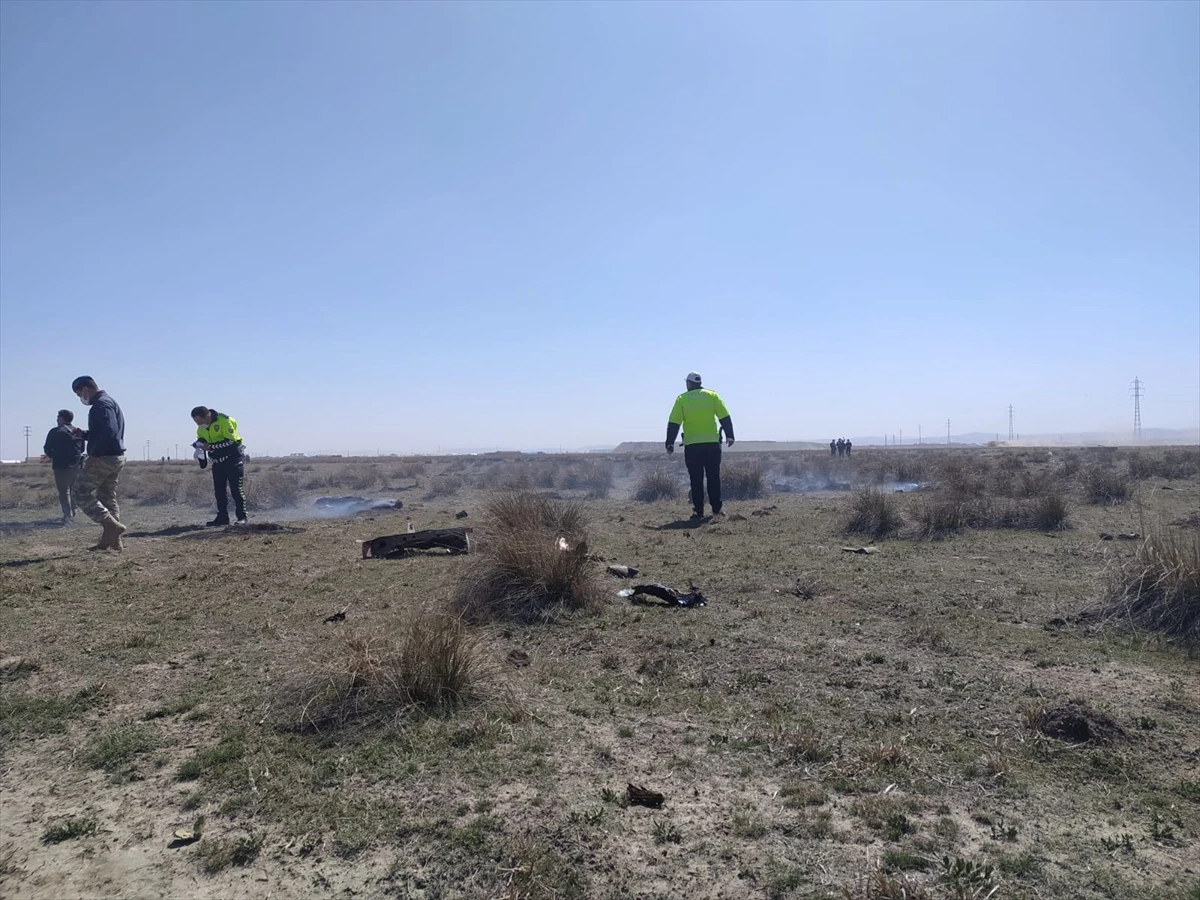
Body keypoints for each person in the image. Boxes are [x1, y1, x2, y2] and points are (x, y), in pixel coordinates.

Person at [665, 371, 734, 519]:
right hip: (712, 445)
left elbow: (674, 422)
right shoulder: (712, 395)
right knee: (713, 477)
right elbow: (724, 416)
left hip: (692, 446)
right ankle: (717, 510)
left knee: (696, 479)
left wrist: (669, 442)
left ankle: (698, 511)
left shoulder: (682, 399)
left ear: (688, 384)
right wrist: (730, 435)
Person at [70, 376, 127, 551]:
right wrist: (86, 435)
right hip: (115, 457)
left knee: (79, 492)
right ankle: (113, 542)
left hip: (103, 457)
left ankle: (112, 526)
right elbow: (106, 431)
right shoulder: (109, 402)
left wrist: (95, 453)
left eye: (79, 393)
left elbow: (110, 431)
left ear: (86, 389)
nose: (80, 397)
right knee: (107, 496)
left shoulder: (100, 405)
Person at [191, 406, 247, 525]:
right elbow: (202, 438)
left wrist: (210, 447)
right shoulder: (201, 427)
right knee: (219, 492)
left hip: (233, 460)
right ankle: (222, 518)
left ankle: (242, 518)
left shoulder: (224, 421)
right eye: (196, 423)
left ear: (207, 416)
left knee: (236, 490)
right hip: (217, 462)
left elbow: (231, 441)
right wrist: (198, 445)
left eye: (200, 421)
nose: (199, 425)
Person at [42, 409, 84, 523]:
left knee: (63, 491)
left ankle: (67, 515)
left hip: (61, 465)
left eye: (58, 417)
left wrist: (54, 456)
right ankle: (74, 511)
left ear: (62, 418)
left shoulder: (55, 432)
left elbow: (47, 448)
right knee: (73, 489)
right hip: (76, 465)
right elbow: (82, 449)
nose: (56, 419)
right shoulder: (77, 431)